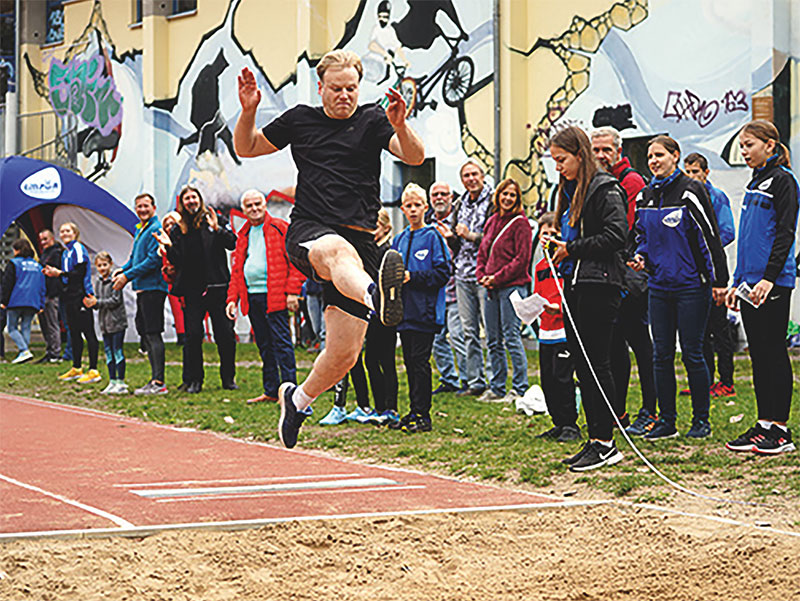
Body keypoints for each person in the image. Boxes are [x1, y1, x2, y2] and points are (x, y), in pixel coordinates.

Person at [234, 49, 424, 448]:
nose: (344, 95)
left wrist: (401, 125)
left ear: (359, 87)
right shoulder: (301, 119)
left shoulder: (374, 119)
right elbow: (247, 147)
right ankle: (377, 295)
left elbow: (414, 156)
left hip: (363, 237)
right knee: (337, 253)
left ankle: (298, 400)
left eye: (351, 88)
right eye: (336, 88)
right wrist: (249, 110)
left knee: (344, 355)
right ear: (321, 88)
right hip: (312, 230)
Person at [629, 135, 728, 441]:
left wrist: (720, 281)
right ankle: (667, 421)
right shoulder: (644, 196)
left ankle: (701, 420)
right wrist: (641, 256)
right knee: (660, 354)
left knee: (692, 353)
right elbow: (641, 236)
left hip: (690, 285)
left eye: (659, 155)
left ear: (675, 156)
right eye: (649, 157)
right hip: (658, 286)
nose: (654, 161)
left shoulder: (691, 190)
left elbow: (711, 237)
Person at [543, 125, 627, 472]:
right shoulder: (569, 190)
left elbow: (617, 234)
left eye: (562, 160)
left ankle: (606, 442)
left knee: (597, 363)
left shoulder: (605, 188)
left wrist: (571, 248)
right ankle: (595, 438)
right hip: (575, 283)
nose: (558, 167)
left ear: (580, 154)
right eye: (554, 161)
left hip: (600, 284)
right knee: (583, 365)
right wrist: (559, 244)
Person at [725, 120, 798, 455]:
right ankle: (764, 423)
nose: (744, 151)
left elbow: (784, 233)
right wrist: (737, 281)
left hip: (773, 282)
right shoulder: (755, 180)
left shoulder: (783, 181)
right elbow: (749, 237)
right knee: (758, 355)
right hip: (749, 283)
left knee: (773, 352)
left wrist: (769, 277)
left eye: (750, 144)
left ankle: (781, 430)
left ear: (770, 145)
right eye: (742, 145)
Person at [590, 126, 657, 436]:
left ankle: (650, 410)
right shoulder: (596, 181)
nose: (601, 155)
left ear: (618, 150)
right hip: (610, 275)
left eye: (606, 149)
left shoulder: (630, 181)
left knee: (639, 343)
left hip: (628, 275)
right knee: (614, 346)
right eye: (596, 150)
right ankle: (619, 411)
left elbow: (624, 229)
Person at [320, 208, 399, 426]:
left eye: (375, 226)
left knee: (385, 361)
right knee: (369, 360)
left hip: (384, 313)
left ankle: (389, 408)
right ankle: (375, 406)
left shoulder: (387, 251)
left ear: (385, 227)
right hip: (369, 311)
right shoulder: (367, 249)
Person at [225, 189, 305, 405]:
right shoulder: (243, 233)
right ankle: (271, 390)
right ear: (243, 210)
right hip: (253, 297)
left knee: (282, 344)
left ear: (265, 204)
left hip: (276, 296)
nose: (254, 208)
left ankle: (290, 393)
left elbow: (296, 263)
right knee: (264, 345)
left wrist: (292, 292)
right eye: (249, 206)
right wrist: (232, 298)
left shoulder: (280, 228)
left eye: (257, 204)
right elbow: (237, 269)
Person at [159, 185, 238, 393]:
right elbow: (177, 260)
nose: (191, 201)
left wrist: (217, 229)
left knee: (225, 335)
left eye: (193, 197)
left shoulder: (215, 219)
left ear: (199, 199)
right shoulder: (178, 229)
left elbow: (232, 243)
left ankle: (228, 378)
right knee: (193, 336)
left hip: (217, 287)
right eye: (187, 199)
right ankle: (194, 380)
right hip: (192, 290)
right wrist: (168, 246)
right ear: (182, 204)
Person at [388, 183, 451, 432]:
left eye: (417, 205)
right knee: (409, 362)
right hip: (404, 312)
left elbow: (443, 272)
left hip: (424, 312)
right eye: (409, 206)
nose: (413, 210)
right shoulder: (399, 239)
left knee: (420, 361)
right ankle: (413, 410)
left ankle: (424, 415)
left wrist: (412, 276)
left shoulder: (433, 236)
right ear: (403, 209)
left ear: (425, 207)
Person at [683, 152, 737, 398]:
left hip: (712, 271)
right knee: (699, 330)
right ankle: (704, 380)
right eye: (688, 172)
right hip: (691, 273)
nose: (692, 176)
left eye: (696, 172)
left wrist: (702, 247)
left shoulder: (716, 197)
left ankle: (726, 381)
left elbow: (726, 232)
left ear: (706, 172)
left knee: (719, 328)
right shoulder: (684, 197)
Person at [475, 177, 532, 403]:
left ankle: (519, 387)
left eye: (512, 195)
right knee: (493, 339)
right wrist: (481, 275)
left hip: (511, 288)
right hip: (490, 288)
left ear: (517, 199)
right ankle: (496, 386)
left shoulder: (521, 223)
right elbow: (482, 252)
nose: (507, 198)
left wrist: (496, 278)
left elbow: (522, 259)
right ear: (498, 195)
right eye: (504, 194)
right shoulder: (491, 222)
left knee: (511, 336)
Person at [113, 193, 169, 395]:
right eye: (139, 207)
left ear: (154, 207)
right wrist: (123, 270)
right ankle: (154, 379)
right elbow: (134, 259)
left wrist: (127, 276)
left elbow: (152, 261)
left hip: (154, 287)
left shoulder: (155, 229)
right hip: (143, 288)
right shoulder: (141, 229)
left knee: (153, 333)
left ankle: (158, 382)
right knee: (145, 332)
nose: (142, 210)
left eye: (146, 206)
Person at [532, 212, 580, 442]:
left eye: (554, 234)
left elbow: (571, 295)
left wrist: (558, 308)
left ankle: (571, 423)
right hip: (545, 331)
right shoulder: (540, 265)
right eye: (545, 234)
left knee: (563, 378)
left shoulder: (567, 264)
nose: (549, 238)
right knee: (548, 379)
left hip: (563, 329)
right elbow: (538, 293)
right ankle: (557, 422)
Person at [447, 160, 493, 397]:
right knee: (468, 330)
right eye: (466, 175)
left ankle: (495, 381)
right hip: (462, 273)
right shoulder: (459, 203)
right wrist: (450, 237)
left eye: (474, 174)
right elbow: (457, 240)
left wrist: (471, 235)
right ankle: (475, 381)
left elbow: (496, 238)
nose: (471, 179)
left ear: (482, 176)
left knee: (491, 329)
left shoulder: (494, 201)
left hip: (485, 273)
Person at [43, 222, 101, 383]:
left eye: (68, 230)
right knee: (74, 332)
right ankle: (76, 368)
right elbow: (67, 276)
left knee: (88, 332)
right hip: (69, 296)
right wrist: (55, 275)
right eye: (62, 231)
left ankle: (94, 370)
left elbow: (79, 272)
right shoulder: (65, 253)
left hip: (81, 294)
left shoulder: (78, 248)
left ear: (75, 233)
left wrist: (60, 272)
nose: (65, 233)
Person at [428, 181, 467, 394]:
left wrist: (451, 238)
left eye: (444, 194)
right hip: (435, 289)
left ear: (451, 197)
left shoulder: (459, 220)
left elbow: (466, 249)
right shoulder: (427, 222)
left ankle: (468, 380)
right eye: (435, 194)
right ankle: (449, 379)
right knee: (437, 338)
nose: (440, 198)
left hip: (456, 287)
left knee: (458, 335)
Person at [87, 251, 128, 394]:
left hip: (117, 323)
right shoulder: (98, 282)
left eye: (105, 265)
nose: (102, 268)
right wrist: (92, 303)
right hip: (104, 324)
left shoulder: (115, 281)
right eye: (99, 266)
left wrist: (97, 302)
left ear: (110, 265)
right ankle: (112, 381)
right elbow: (98, 302)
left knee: (118, 352)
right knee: (108, 353)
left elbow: (115, 301)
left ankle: (121, 381)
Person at [1, 239, 45, 364]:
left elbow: (7, 283)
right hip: (33, 302)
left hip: (16, 301)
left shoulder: (14, 263)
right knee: (26, 327)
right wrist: (41, 303)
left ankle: (24, 350)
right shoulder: (38, 266)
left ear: (17, 250)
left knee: (12, 328)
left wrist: (4, 301)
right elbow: (42, 286)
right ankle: (24, 354)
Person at [36, 229, 64, 363]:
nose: (43, 242)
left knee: (52, 324)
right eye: (41, 240)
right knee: (45, 324)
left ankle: (55, 353)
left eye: (45, 239)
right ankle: (49, 351)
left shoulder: (56, 253)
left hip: (52, 294)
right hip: (44, 294)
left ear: (52, 238)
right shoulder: (45, 253)